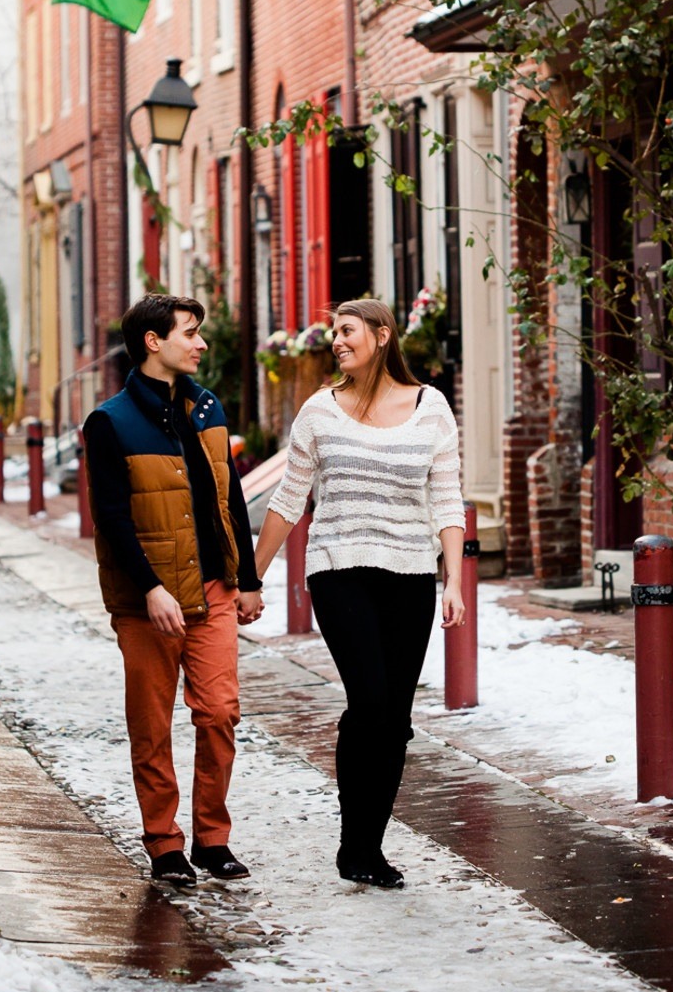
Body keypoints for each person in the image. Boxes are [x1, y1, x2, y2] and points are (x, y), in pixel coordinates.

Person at [253, 298, 466, 889]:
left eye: (346, 331)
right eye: (333, 333)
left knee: (395, 719)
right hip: (339, 568)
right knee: (369, 702)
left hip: (410, 574)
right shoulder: (320, 411)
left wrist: (453, 579)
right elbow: (288, 500)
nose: (337, 342)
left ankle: (368, 849)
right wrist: (252, 577)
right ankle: (354, 845)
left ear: (381, 334)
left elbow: (447, 498)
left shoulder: (432, 409)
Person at [83, 293, 264, 887]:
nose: (202, 343)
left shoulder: (207, 408)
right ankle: (164, 843)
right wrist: (151, 588)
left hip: (212, 590)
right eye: (190, 332)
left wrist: (247, 580)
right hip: (148, 604)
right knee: (152, 724)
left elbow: (229, 496)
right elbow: (110, 516)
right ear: (154, 341)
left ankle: (213, 839)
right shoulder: (110, 421)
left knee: (219, 714)